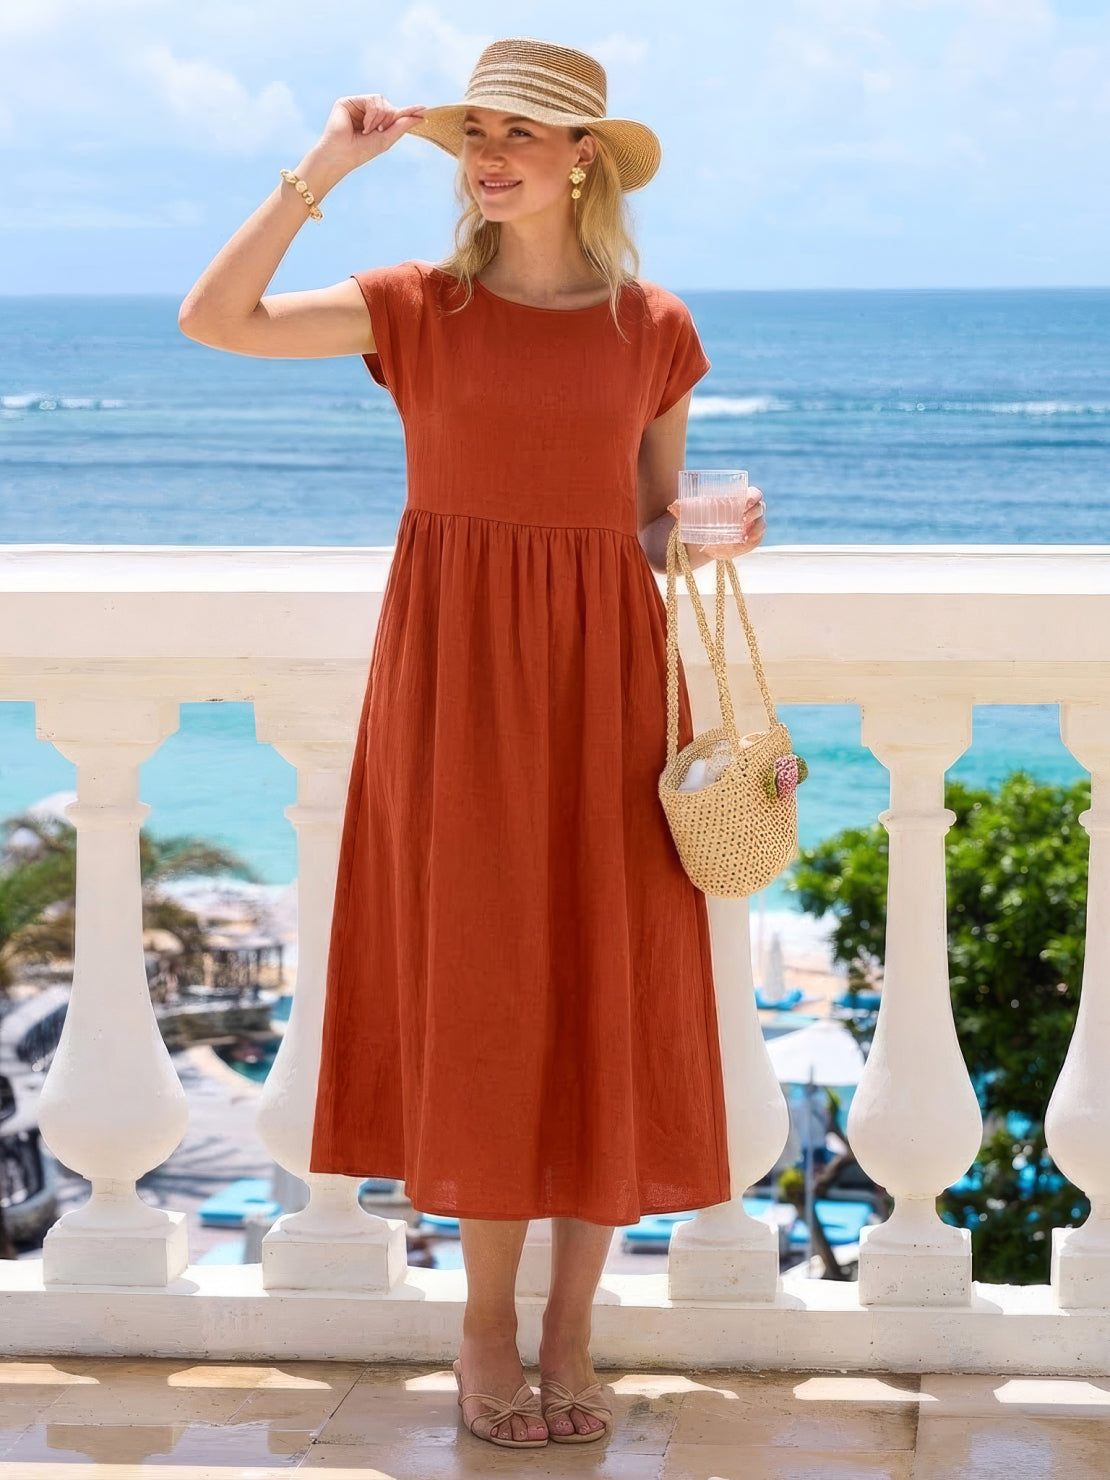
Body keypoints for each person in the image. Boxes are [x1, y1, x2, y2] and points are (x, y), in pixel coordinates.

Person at [179, 34, 767, 1452]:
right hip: (453, 686)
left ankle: (573, 1327)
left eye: (524, 132)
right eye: (474, 133)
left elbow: (641, 522)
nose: (491, 153)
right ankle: (482, 1328)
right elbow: (218, 317)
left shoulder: (657, 329)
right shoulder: (415, 307)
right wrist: (326, 166)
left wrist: (705, 537)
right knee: (491, 986)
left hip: (611, 690)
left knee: (600, 988)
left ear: (584, 159)